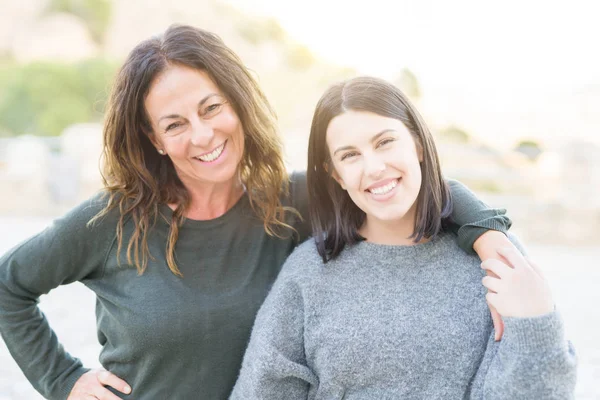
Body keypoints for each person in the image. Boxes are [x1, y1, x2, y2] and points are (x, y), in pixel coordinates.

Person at [1, 26, 512, 400]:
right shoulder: (113, 220)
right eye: (174, 124)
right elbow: (9, 286)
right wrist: (65, 381)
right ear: (153, 139)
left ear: (239, 104)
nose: (202, 136)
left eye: (211, 108)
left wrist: (490, 240)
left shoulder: (293, 202)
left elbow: (412, 186)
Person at [230, 76, 577, 399]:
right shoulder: (308, 271)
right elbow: (263, 390)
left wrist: (536, 319)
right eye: (350, 155)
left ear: (418, 145)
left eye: (385, 142)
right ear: (335, 174)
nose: (374, 167)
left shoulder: (493, 259)